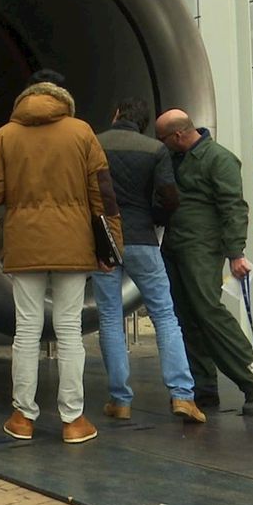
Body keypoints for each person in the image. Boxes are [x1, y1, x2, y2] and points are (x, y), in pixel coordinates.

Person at [0, 82, 123, 444]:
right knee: (69, 329)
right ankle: (73, 420)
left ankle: (23, 417)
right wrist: (112, 245)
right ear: (64, 104)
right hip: (73, 244)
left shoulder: (5, 135)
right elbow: (102, 193)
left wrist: (19, 191)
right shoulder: (81, 132)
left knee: (26, 329)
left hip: (24, 245)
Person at [155, 109, 253, 416]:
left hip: (202, 248)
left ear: (178, 135)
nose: (161, 145)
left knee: (209, 312)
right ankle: (203, 387)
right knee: (187, 316)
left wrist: (236, 252)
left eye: (163, 139)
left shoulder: (219, 159)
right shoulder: (175, 158)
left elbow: (234, 207)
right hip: (175, 245)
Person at [92, 99, 206, 423]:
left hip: (105, 241)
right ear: (143, 124)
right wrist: (153, 219)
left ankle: (120, 400)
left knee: (111, 319)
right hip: (143, 238)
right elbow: (170, 197)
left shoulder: (94, 145)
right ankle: (182, 395)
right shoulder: (155, 151)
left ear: (116, 114)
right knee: (165, 316)